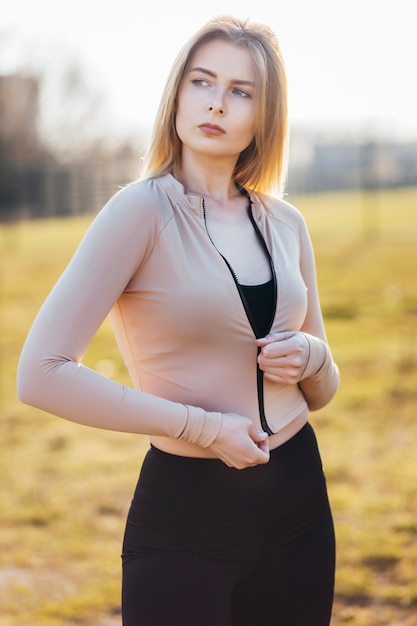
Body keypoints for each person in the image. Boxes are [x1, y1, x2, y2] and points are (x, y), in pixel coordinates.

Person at [17, 14, 340, 626]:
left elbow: (322, 391)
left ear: (264, 116)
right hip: (187, 517)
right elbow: (40, 373)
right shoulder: (138, 211)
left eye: (241, 91)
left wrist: (315, 358)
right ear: (177, 93)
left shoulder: (287, 224)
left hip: (299, 507)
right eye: (202, 81)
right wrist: (202, 428)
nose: (216, 103)